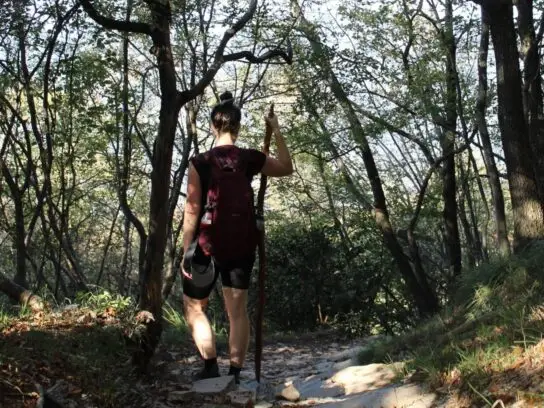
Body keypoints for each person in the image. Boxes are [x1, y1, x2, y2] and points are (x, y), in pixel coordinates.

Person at [181, 91, 293, 383]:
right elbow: (286, 167)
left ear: (212, 126)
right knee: (237, 311)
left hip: (206, 244)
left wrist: (185, 249)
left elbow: (192, 210)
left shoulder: (201, 161)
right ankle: (235, 373)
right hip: (242, 243)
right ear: (238, 127)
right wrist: (276, 129)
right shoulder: (249, 159)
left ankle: (209, 367)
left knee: (194, 307)